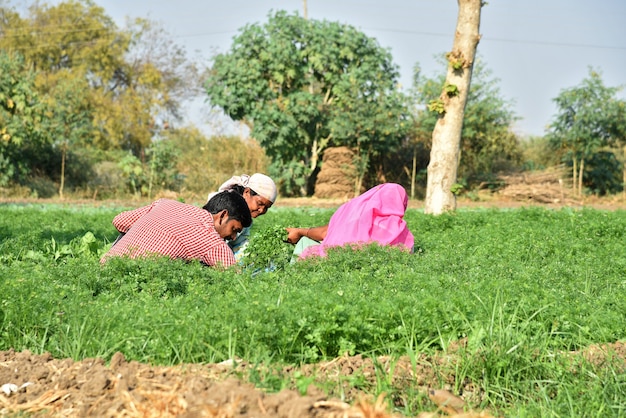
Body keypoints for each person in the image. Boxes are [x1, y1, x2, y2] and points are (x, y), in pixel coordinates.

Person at [100, 191, 252, 268]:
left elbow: (119, 221)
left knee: (128, 229)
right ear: (223, 215)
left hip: (104, 267)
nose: (233, 237)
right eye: (234, 229)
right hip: (140, 283)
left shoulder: (164, 203)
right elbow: (233, 279)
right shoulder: (212, 240)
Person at [286, 183, 414, 259]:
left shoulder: (357, 217)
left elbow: (326, 232)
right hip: (373, 272)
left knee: (306, 245)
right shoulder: (402, 231)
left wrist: (300, 231)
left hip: (334, 261)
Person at [208, 173, 278, 261]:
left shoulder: (244, 218)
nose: (262, 210)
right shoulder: (226, 206)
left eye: (267, 207)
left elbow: (239, 243)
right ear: (247, 192)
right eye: (260, 204)